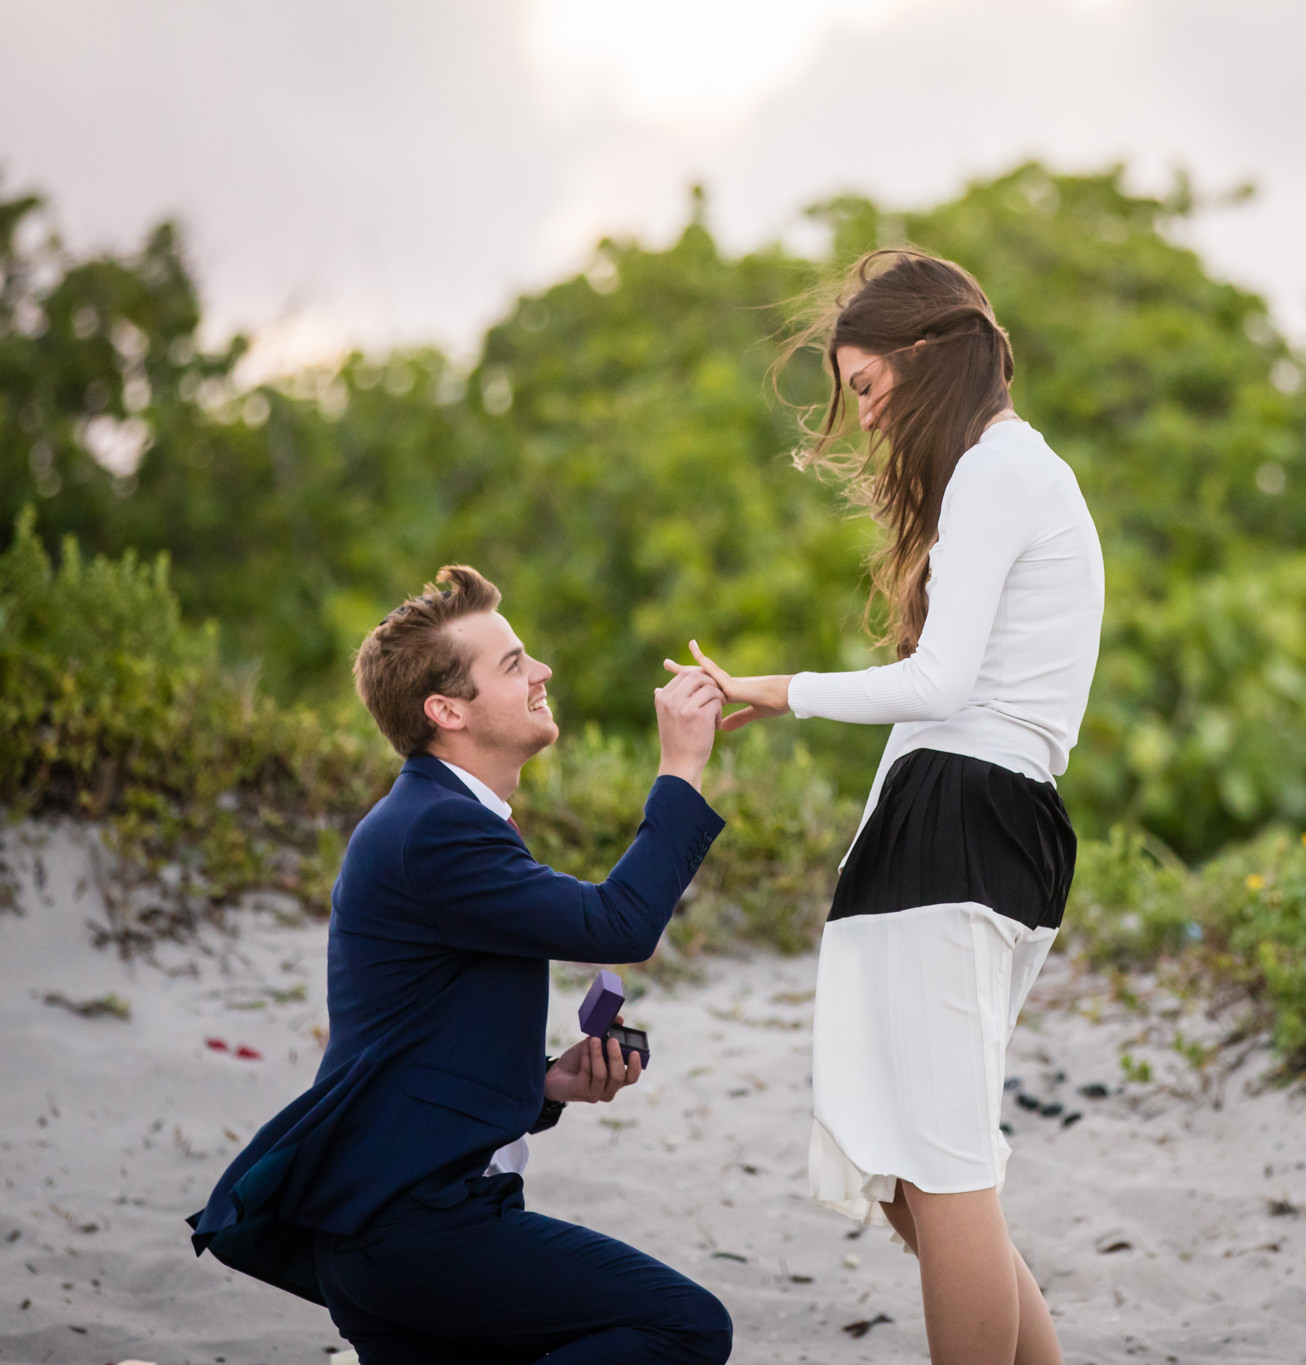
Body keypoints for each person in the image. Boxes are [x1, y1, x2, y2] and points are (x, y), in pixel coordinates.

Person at [689, 249, 1104, 1365]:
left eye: (868, 389)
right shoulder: (1016, 474)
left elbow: (941, 687)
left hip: (960, 823)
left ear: (929, 360)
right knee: (922, 1189)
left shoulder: (996, 473)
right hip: (973, 822)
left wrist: (771, 691)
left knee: (942, 1170)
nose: (866, 420)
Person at [189, 565, 734, 1365]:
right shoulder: (434, 830)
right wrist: (681, 764)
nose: (542, 670)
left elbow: (422, 1037)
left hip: (388, 1229)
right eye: (514, 664)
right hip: (412, 1226)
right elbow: (622, 923)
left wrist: (545, 1085)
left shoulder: (438, 819)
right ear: (446, 710)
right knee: (686, 1326)